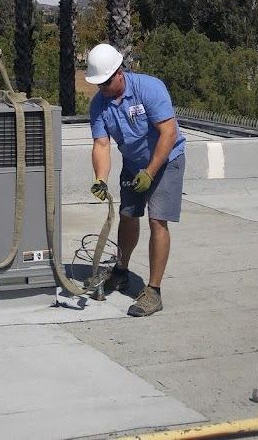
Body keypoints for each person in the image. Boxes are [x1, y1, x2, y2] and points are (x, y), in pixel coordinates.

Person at [86, 44, 186, 316]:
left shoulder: (149, 88)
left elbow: (169, 133)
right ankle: (121, 270)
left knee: (157, 220)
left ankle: (153, 291)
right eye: (98, 85)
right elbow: (101, 145)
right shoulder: (99, 105)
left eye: (105, 83)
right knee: (128, 214)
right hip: (133, 164)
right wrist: (100, 178)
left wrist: (150, 172)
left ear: (120, 72)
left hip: (166, 161)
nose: (102, 89)